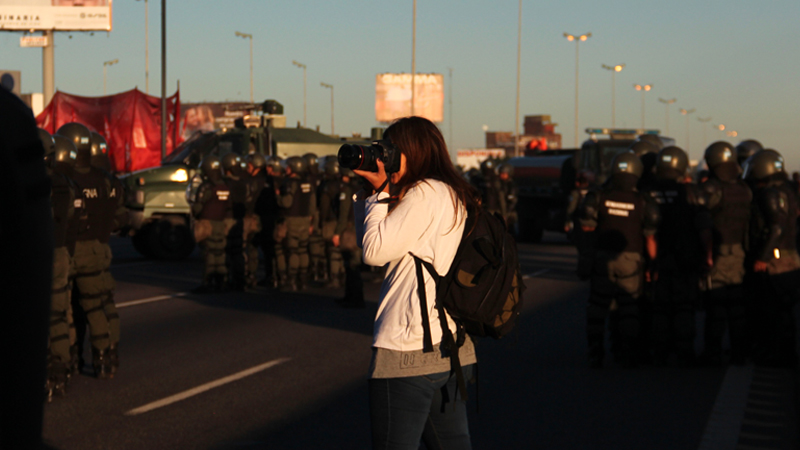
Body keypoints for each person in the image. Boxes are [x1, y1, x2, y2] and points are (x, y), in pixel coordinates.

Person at [354, 116, 478, 449]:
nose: (385, 158)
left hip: (409, 350)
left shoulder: (424, 194)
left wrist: (379, 193)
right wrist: (370, 193)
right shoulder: (449, 193)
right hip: (450, 349)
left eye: (391, 150)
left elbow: (374, 252)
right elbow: (374, 240)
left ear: (415, 151)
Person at [578, 151, 660, 368]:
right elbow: (650, 237)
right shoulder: (643, 201)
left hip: (603, 258)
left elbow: (586, 229)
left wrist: (586, 258)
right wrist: (653, 264)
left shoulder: (598, 197)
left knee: (597, 306)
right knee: (629, 307)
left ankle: (595, 350)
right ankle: (627, 353)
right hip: (631, 259)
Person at [57, 122, 117, 379]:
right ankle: (105, 357)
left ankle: (68, 361)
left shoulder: (65, 182)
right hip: (95, 249)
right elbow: (116, 215)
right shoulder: (104, 179)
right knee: (97, 306)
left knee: (65, 310)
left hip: (68, 252)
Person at [646, 146, 712, 366]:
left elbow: (647, 233)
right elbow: (704, 229)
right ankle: (684, 351)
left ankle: (660, 351)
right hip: (686, 257)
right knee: (684, 306)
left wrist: (650, 262)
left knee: (661, 306)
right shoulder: (692, 193)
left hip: (659, 257)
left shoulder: (648, 193)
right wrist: (708, 256)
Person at [744, 149, 800, 368]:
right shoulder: (788, 190)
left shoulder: (770, 193)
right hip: (788, 255)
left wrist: (763, 257)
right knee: (784, 310)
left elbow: (776, 228)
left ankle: (779, 355)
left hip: (778, 260)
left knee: (774, 310)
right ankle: (784, 353)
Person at [699, 141, 752, 365]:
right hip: (739, 252)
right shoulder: (744, 189)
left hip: (719, 253)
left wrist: (707, 256)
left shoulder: (711, 188)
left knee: (717, 306)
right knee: (737, 307)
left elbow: (705, 228)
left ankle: (712, 354)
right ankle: (739, 352)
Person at [192, 156, 232, 292]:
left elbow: (198, 207)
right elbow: (228, 206)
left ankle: (208, 282)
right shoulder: (225, 186)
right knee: (219, 253)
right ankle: (221, 281)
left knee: (208, 253)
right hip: (221, 223)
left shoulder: (206, 187)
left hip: (207, 223)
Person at [276, 156, 314, 291]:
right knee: (303, 250)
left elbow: (287, 202)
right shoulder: (307, 183)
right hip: (305, 219)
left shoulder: (289, 183)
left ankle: (291, 280)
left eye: (288, 167)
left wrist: (278, 196)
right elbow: (312, 203)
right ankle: (303, 280)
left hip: (292, 220)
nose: (286, 169)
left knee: (293, 251)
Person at [222, 153, 248, 291]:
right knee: (238, 251)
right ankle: (240, 280)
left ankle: (226, 279)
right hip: (239, 220)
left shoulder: (226, 184)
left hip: (227, 219)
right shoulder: (243, 183)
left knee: (226, 251)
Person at [256, 156, 282, 288]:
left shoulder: (268, 181)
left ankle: (271, 276)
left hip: (269, 218)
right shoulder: (284, 181)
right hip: (279, 219)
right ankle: (280, 276)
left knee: (269, 250)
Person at [497, 163, 518, 233]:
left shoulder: (511, 185)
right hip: (501, 212)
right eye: (501, 173)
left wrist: (506, 214)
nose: (502, 175)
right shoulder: (499, 184)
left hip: (510, 213)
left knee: (510, 231)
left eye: (504, 173)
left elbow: (513, 201)